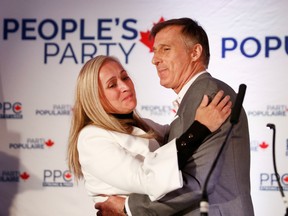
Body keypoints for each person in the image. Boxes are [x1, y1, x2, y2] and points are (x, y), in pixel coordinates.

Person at [95, 18, 254, 216]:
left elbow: (197, 182)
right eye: (155, 51)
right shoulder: (194, 97)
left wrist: (128, 207)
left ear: (195, 53)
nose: (155, 59)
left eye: (165, 49)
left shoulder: (209, 96)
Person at [67, 55, 232, 213]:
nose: (125, 87)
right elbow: (148, 180)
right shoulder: (91, 137)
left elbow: (176, 135)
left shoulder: (142, 124)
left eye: (124, 78)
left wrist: (194, 107)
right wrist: (201, 127)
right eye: (112, 85)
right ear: (94, 98)